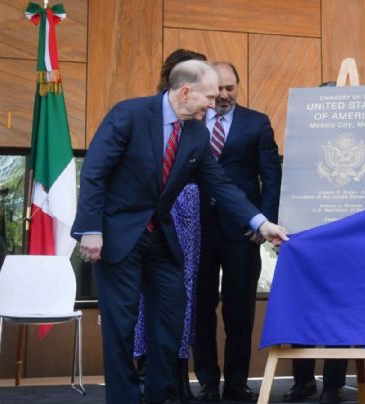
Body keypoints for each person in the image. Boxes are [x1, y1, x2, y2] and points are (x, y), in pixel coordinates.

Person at [72, 60, 288, 404]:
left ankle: (159, 395)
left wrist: (260, 222)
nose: (214, 103)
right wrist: (90, 229)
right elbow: (95, 173)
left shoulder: (196, 133)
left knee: (171, 320)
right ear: (185, 92)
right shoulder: (128, 115)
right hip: (117, 235)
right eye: (209, 96)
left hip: (161, 237)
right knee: (121, 326)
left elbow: (221, 184)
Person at [192, 61, 282, 403]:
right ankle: (207, 381)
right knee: (201, 308)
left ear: (238, 87)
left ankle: (237, 383)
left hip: (243, 233)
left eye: (231, 88)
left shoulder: (257, 123)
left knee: (239, 310)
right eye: (220, 89)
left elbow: (270, 177)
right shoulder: (194, 120)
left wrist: (263, 221)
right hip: (197, 229)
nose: (225, 95)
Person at [133, 48, 207, 404]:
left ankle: (178, 375)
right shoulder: (150, 111)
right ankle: (147, 370)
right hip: (151, 209)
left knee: (184, 290)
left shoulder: (198, 117)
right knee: (150, 292)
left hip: (188, 208)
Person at [281, 80, 349, 404]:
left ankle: (333, 384)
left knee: (340, 310)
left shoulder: (361, 144)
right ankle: (303, 381)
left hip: (348, 241)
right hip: (306, 239)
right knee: (302, 308)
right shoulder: (301, 145)